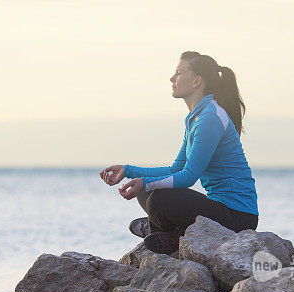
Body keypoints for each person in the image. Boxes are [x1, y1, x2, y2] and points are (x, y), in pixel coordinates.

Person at [100, 51, 259, 255]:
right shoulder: (196, 117)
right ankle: (168, 232)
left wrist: (146, 182)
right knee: (145, 192)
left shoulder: (210, 118)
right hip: (220, 209)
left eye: (178, 73)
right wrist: (128, 170)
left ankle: (166, 235)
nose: (172, 79)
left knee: (159, 199)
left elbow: (189, 176)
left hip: (238, 216)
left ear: (196, 81)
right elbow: (176, 169)